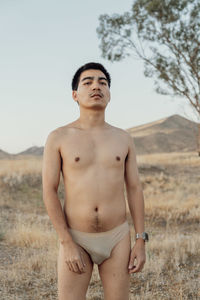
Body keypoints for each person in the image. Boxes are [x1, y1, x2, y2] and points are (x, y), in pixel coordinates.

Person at [42, 62, 148, 300]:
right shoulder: (58, 137)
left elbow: (134, 188)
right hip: (76, 237)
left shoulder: (123, 138)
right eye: (87, 82)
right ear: (75, 95)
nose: (96, 86)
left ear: (109, 94)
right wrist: (66, 242)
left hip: (117, 237)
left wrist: (140, 241)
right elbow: (49, 190)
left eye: (103, 82)